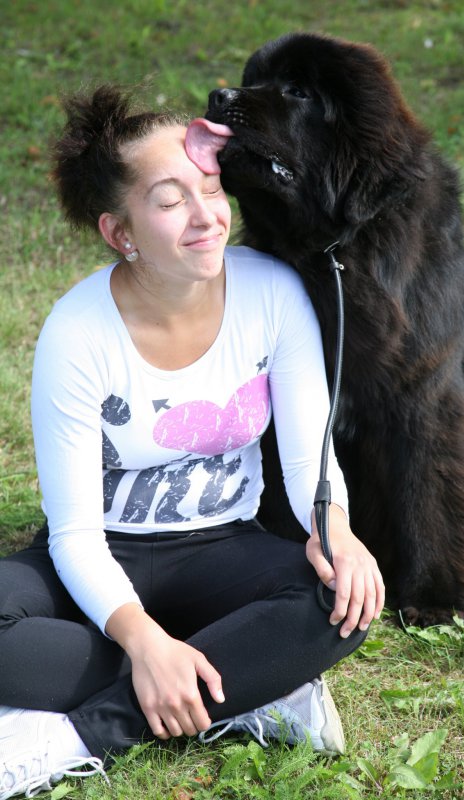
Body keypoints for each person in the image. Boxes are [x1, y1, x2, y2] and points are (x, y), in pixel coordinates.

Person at [0, 86, 385, 799]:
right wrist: (144, 642)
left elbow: (308, 462)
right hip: (106, 554)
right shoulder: (77, 331)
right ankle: (252, 686)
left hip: (222, 548)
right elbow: (76, 535)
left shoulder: (272, 293)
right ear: (122, 233)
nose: (205, 216)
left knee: (340, 595)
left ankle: (74, 735)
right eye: (170, 200)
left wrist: (335, 530)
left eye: (209, 187)